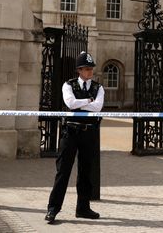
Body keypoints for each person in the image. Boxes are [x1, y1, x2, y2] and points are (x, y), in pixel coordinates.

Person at [45, 51, 104, 224]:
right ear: (79, 70)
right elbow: (70, 103)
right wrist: (88, 101)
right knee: (63, 172)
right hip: (70, 132)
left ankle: (83, 208)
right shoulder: (68, 85)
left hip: (89, 133)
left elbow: (98, 108)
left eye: (91, 69)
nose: (90, 72)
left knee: (86, 172)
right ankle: (53, 209)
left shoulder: (98, 88)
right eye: (86, 69)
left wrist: (82, 104)